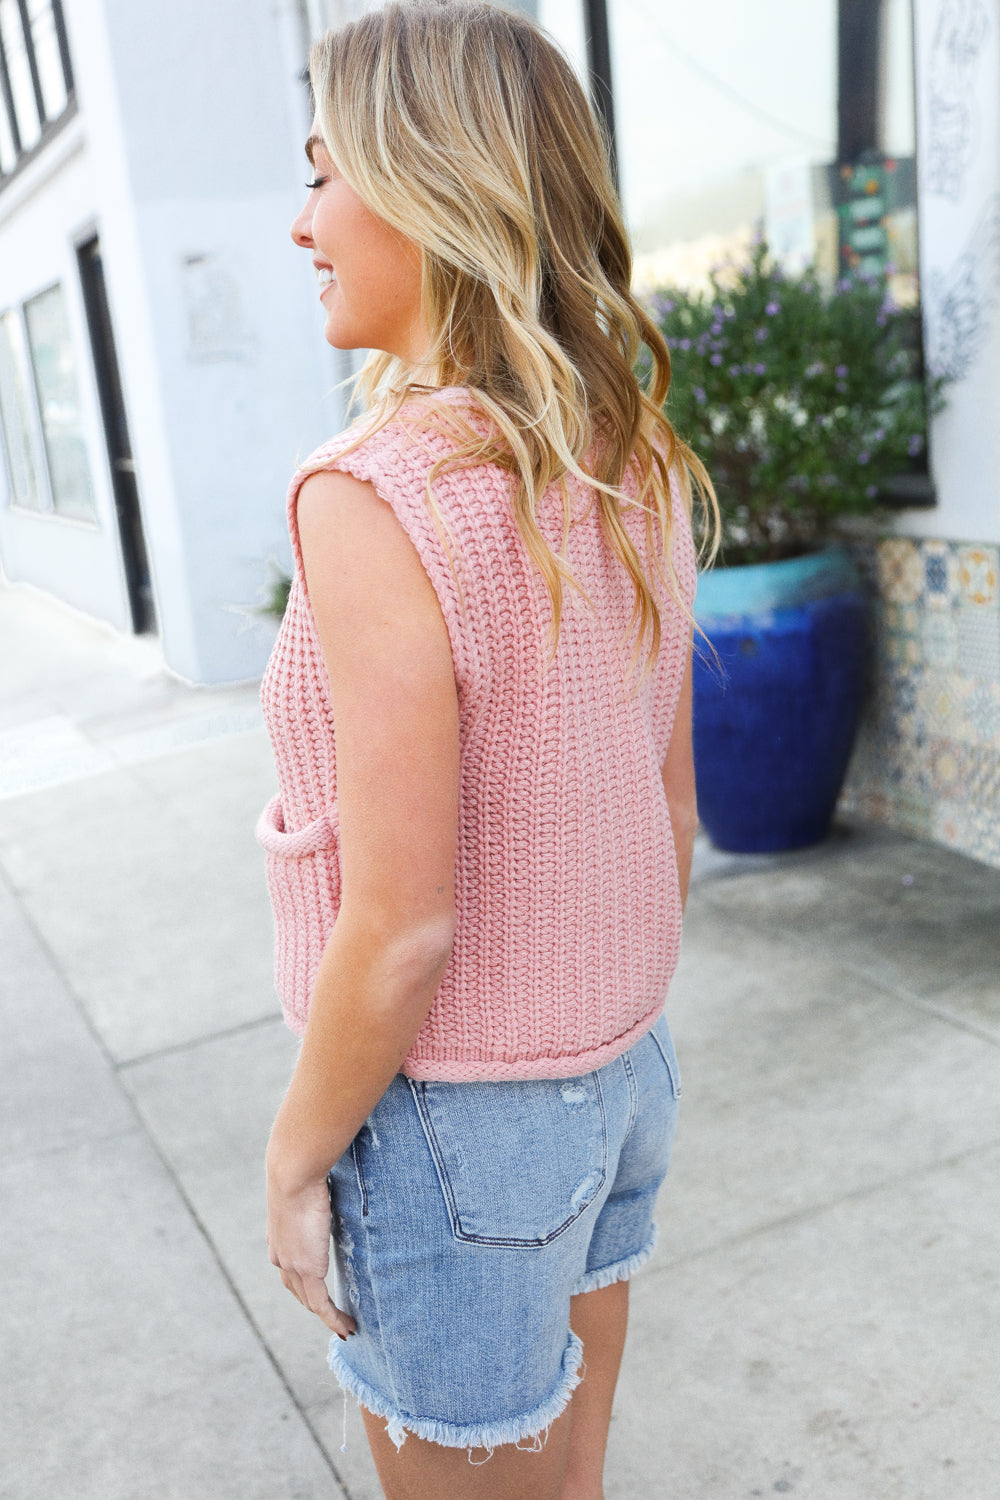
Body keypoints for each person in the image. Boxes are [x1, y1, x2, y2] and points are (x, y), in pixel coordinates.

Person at [256, 3, 717, 1495]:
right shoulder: (625, 446)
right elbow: (671, 808)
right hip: (623, 1069)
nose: (302, 220)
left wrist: (293, 1157)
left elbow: (400, 929)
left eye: (326, 173)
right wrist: (600, 1026)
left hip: (456, 1120)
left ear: (428, 182)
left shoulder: (373, 493)